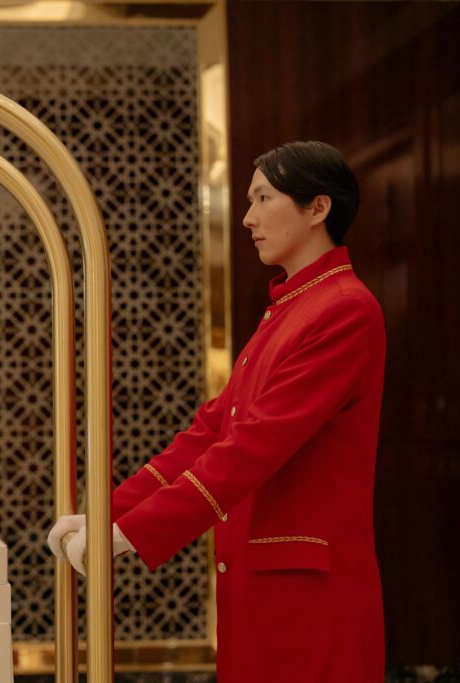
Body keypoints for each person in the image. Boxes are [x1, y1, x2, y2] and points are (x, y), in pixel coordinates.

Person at [48, 141, 386, 682]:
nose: (248, 217)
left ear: (318, 208)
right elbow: (210, 433)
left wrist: (129, 534)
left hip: (308, 598)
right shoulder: (291, 307)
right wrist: (109, 514)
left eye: (263, 198)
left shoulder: (345, 310)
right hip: (260, 587)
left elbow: (253, 448)